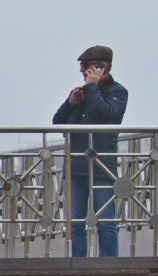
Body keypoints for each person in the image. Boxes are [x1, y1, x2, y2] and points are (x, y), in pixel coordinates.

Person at [52, 45, 128, 256]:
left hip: (102, 165)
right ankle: (77, 264)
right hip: (76, 165)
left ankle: (109, 265)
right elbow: (58, 122)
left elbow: (104, 114)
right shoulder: (82, 93)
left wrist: (93, 88)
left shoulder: (118, 92)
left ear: (102, 67)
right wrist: (71, 103)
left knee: (105, 222)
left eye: (85, 66)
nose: (82, 71)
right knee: (75, 221)